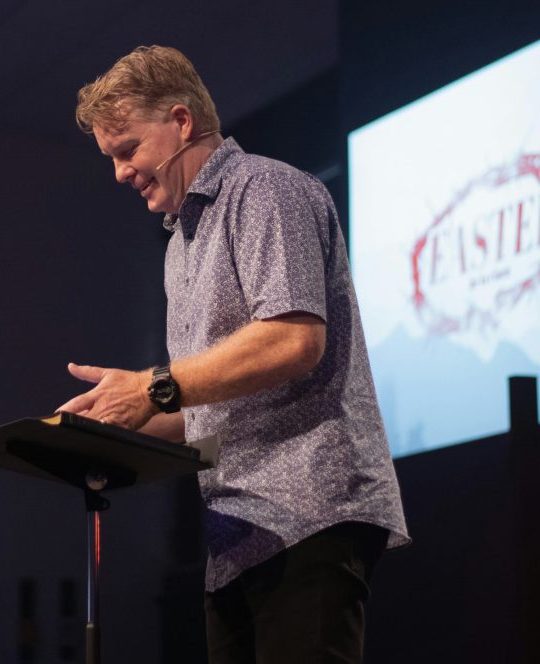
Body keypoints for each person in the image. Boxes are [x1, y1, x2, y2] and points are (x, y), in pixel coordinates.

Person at [60, 45, 409, 663]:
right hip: (235, 538)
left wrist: (150, 388)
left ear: (182, 121)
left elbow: (294, 338)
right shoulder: (179, 247)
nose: (118, 173)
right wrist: (109, 426)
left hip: (310, 512)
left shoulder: (267, 190)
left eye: (127, 150)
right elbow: (202, 406)